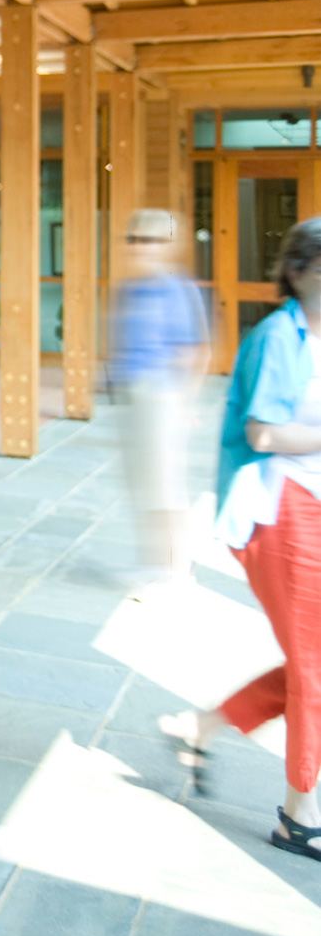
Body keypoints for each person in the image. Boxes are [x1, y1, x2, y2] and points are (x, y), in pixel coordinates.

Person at [162, 216, 321, 863]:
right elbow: (262, 433)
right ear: (301, 272)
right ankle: (298, 814)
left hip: (312, 502)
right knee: (314, 670)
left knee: (314, 664)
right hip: (279, 510)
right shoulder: (281, 337)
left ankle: (200, 726)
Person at [108, 209, 210, 585]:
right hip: (132, 396)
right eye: (133, 239)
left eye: (149, 240)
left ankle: (176, 566)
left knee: (166, 486)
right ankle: (152, 563)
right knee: (142, 484)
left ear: (167, 246)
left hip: (161, 396)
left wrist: (183, 401)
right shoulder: (129, 289)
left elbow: (195, 351)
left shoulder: (177, 289)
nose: (139, 247)